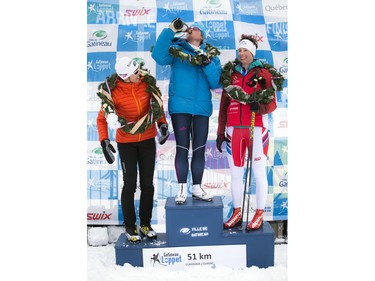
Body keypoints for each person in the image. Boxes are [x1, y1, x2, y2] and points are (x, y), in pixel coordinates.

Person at [96, 56, 169, 243]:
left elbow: (157, 108)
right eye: (135, 72)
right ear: (125, 76)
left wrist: (162, 125)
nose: (140, 73)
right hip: (126, 143)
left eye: (138, 69)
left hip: (147, 140)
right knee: (129, 184)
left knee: (147, 184)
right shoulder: (113, 92)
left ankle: (145, 223)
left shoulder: (147, 84)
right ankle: (130, 225)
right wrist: (104, 141)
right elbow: (102, 118)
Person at [216, 34, 284, 231]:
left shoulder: (263, 73)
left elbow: (272, 102)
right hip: (234, 130)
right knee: (236, 174)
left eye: (245, 50)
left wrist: (259, 107)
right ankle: (237, 211)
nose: (241, 53)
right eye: (239, 50)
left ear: (252, 52)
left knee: (258, 172)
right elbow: (224, 104)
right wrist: (221, 131)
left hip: (256, 128)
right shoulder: (232, 74)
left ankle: (259, 213)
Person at [152, 19, 222, 204]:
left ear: (203, 35)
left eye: (197, 28)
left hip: (201, 107)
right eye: (191, 28)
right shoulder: (176, 49)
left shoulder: (211, 54)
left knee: (199, 149)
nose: (193, 29)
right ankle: (181, 188)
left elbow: (216, 82)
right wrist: (169, 31)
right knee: (182, 148)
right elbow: (158, 56)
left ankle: (197, 187)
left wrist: (206, 62)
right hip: (180, 106)